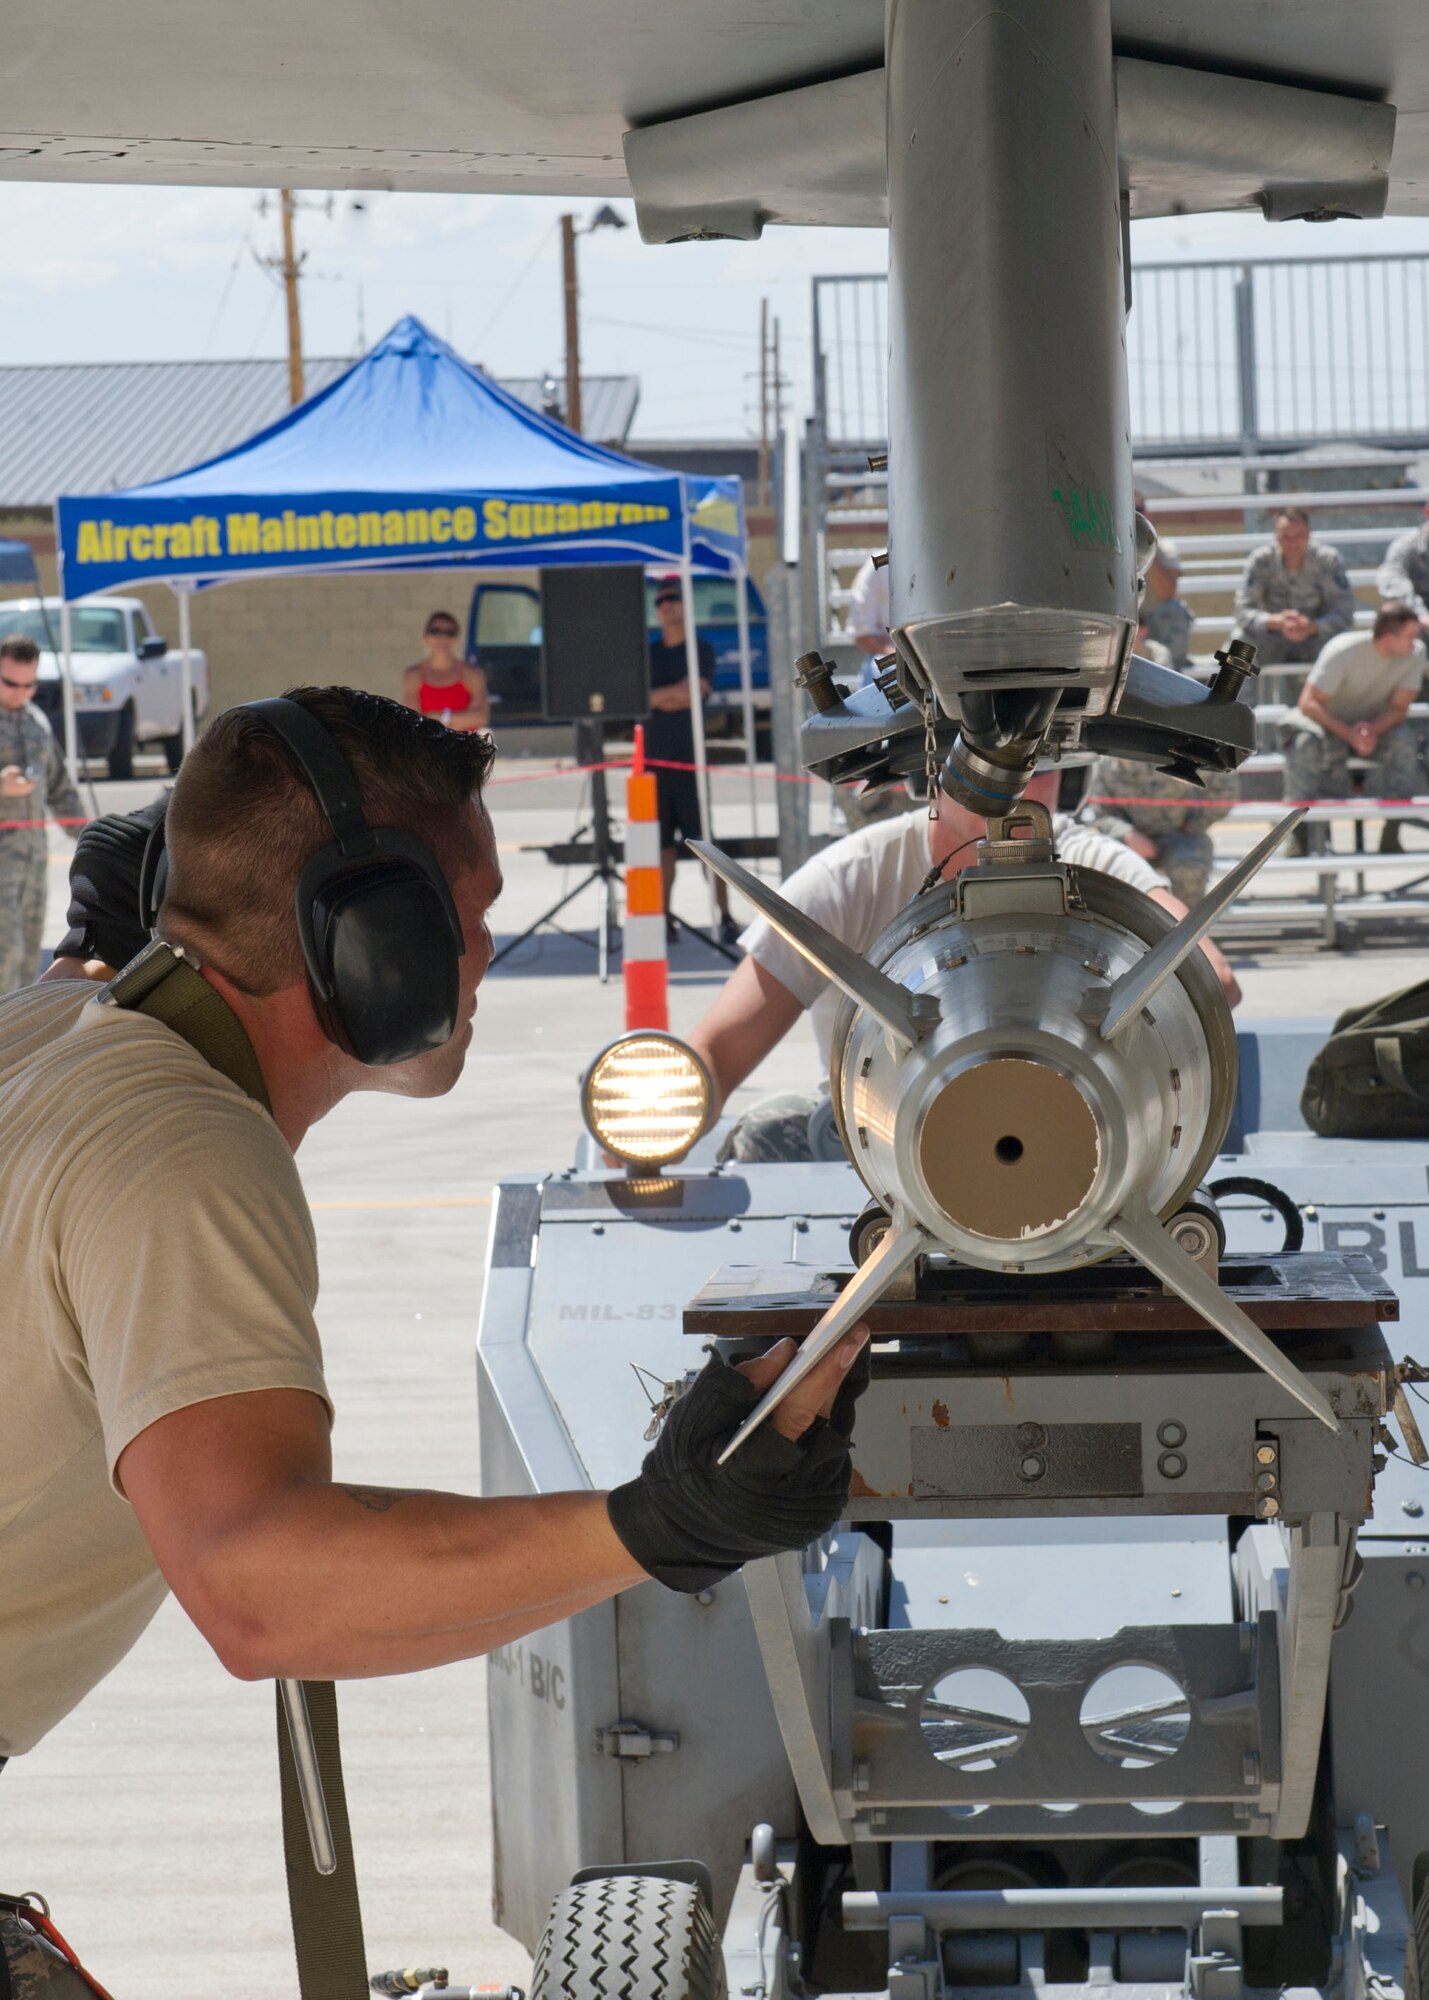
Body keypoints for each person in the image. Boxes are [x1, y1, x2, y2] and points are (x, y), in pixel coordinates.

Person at [0, 686, 868, 1778]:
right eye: (471, 909)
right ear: (378, 938)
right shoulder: (184, 1152)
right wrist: (664, 1519)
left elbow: (83, 981)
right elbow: (257, 1588)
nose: (488, 950)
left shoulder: (51, 1030)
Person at [686, 769, 1242, 1163]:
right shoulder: (850, 879)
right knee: (766, 1136)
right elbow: (720, 1052)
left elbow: (1210, 979)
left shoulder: (1094, 861)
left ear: (1067, 781)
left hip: (1077, 1133)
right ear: (931, 775)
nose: (1009, 788)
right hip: (878, 1146)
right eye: (980, 766)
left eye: (1036, 765)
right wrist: (670, 1120)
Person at [1085, 625, 1235, 904]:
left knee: (1190, 865)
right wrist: (1127, 834)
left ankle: (1190, 937)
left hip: (1180, 836)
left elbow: (1225, 788)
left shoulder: (1188, 733)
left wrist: (1194, 825)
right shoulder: (1112, 736)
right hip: (1130, 837)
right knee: (1108, 869)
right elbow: (1098, 807)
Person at [1280, 604, 1426, 854]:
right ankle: (1299, 836)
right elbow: (1309, 702)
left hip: (1375, 730)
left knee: (1404, 741)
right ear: (1390, 637)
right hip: (1328, 726)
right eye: (1410, 636)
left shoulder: (1415, 654)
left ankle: (1391, 834)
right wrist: (1349, 733)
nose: (1416, 642)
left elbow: (1399, 707)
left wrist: (1372, 730)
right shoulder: (1344, 649)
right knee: (1303, 743)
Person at [647, 578, 736, 946]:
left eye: (673, 598)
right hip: (654, 762)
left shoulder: (700, 648)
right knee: (659, 847)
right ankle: (663, 918)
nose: (667, 604)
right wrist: (672, 693)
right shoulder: (648, 653)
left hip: (689, 760)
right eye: (661, 600)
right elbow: (645, 698)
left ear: (685, 605)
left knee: (703, 843)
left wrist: (665, 695)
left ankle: (725, 916)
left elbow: (694, 692)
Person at [0, 633, 83, 995]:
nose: (20, 693)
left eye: (29, 685)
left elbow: (59, 786)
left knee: (28, 953)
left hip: (33, 863)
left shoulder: (37, 723)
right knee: (6, 949)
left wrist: (92, 836)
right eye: (10, 683)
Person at [1231, 507, 1355, 669]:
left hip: (1316, 640)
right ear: (1275, 536)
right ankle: (1232, 696)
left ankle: (1338, 696)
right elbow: (1242, 611)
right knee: (1240, 644)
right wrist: (1275, 622)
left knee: (1344, 644)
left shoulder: (1328, 560)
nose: (1293, 543)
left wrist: (1312, 627)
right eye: (1286, 537)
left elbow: (1344, 613)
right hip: (1272, 639)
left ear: (1309, 534)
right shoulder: (1261, 561)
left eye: (1299, 536)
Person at [400, 609, 489, 732]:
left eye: (449, 632)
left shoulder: (472, 674)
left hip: (465, 748)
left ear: (456, 639)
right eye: (435, 631)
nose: (442, 637)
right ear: (425, 637)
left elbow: (480, 717)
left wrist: (439, 717)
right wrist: (457, 719)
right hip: (427, 749)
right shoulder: (413, 675)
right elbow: (413, 722)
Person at [1377, 497, 1429, 642]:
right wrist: (1421, 615)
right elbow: (1393, 582)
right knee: (1404, 626)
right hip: (1416, 627)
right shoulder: (1405, 547)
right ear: (1427, 512)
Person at [1140, 540, 1195, 667]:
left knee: (1174, 609)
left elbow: (1168, 592)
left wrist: (1143, 550)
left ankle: (1171, 672)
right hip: (1126, 627)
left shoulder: (1165, 549)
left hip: (1155, 629)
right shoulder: (1110, 545)